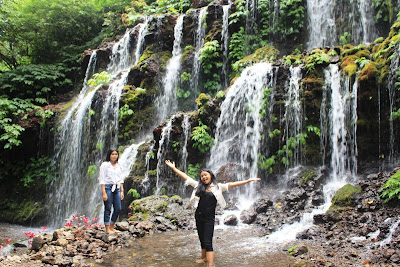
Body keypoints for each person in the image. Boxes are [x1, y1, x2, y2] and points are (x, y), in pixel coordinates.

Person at [165, 160, 261, 267]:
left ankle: (210, 263)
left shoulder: (218, 187)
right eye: (202, 176)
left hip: (209, 218)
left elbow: (233, 184)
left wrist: (248, 180)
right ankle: (203, 258)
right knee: (201, 238)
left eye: (205, 175)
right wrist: (174, 168)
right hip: (198, 215)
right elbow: (186, 177)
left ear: (210, 175)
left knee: (208, 241)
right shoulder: (198, 186)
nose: (203, 177)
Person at [98, 149, 124, 234]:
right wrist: (104, 192)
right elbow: (101, 179)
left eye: (116, 154)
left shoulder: (119, 165)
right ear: (109, 155)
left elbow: (121, 179)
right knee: (108, 208)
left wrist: (122, 191)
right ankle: (107, 228)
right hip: (107, 188)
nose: (114, 156)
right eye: (112, 154)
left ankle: (112, 227)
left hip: (117, 188)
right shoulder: (105, 165)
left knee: (118, 208)